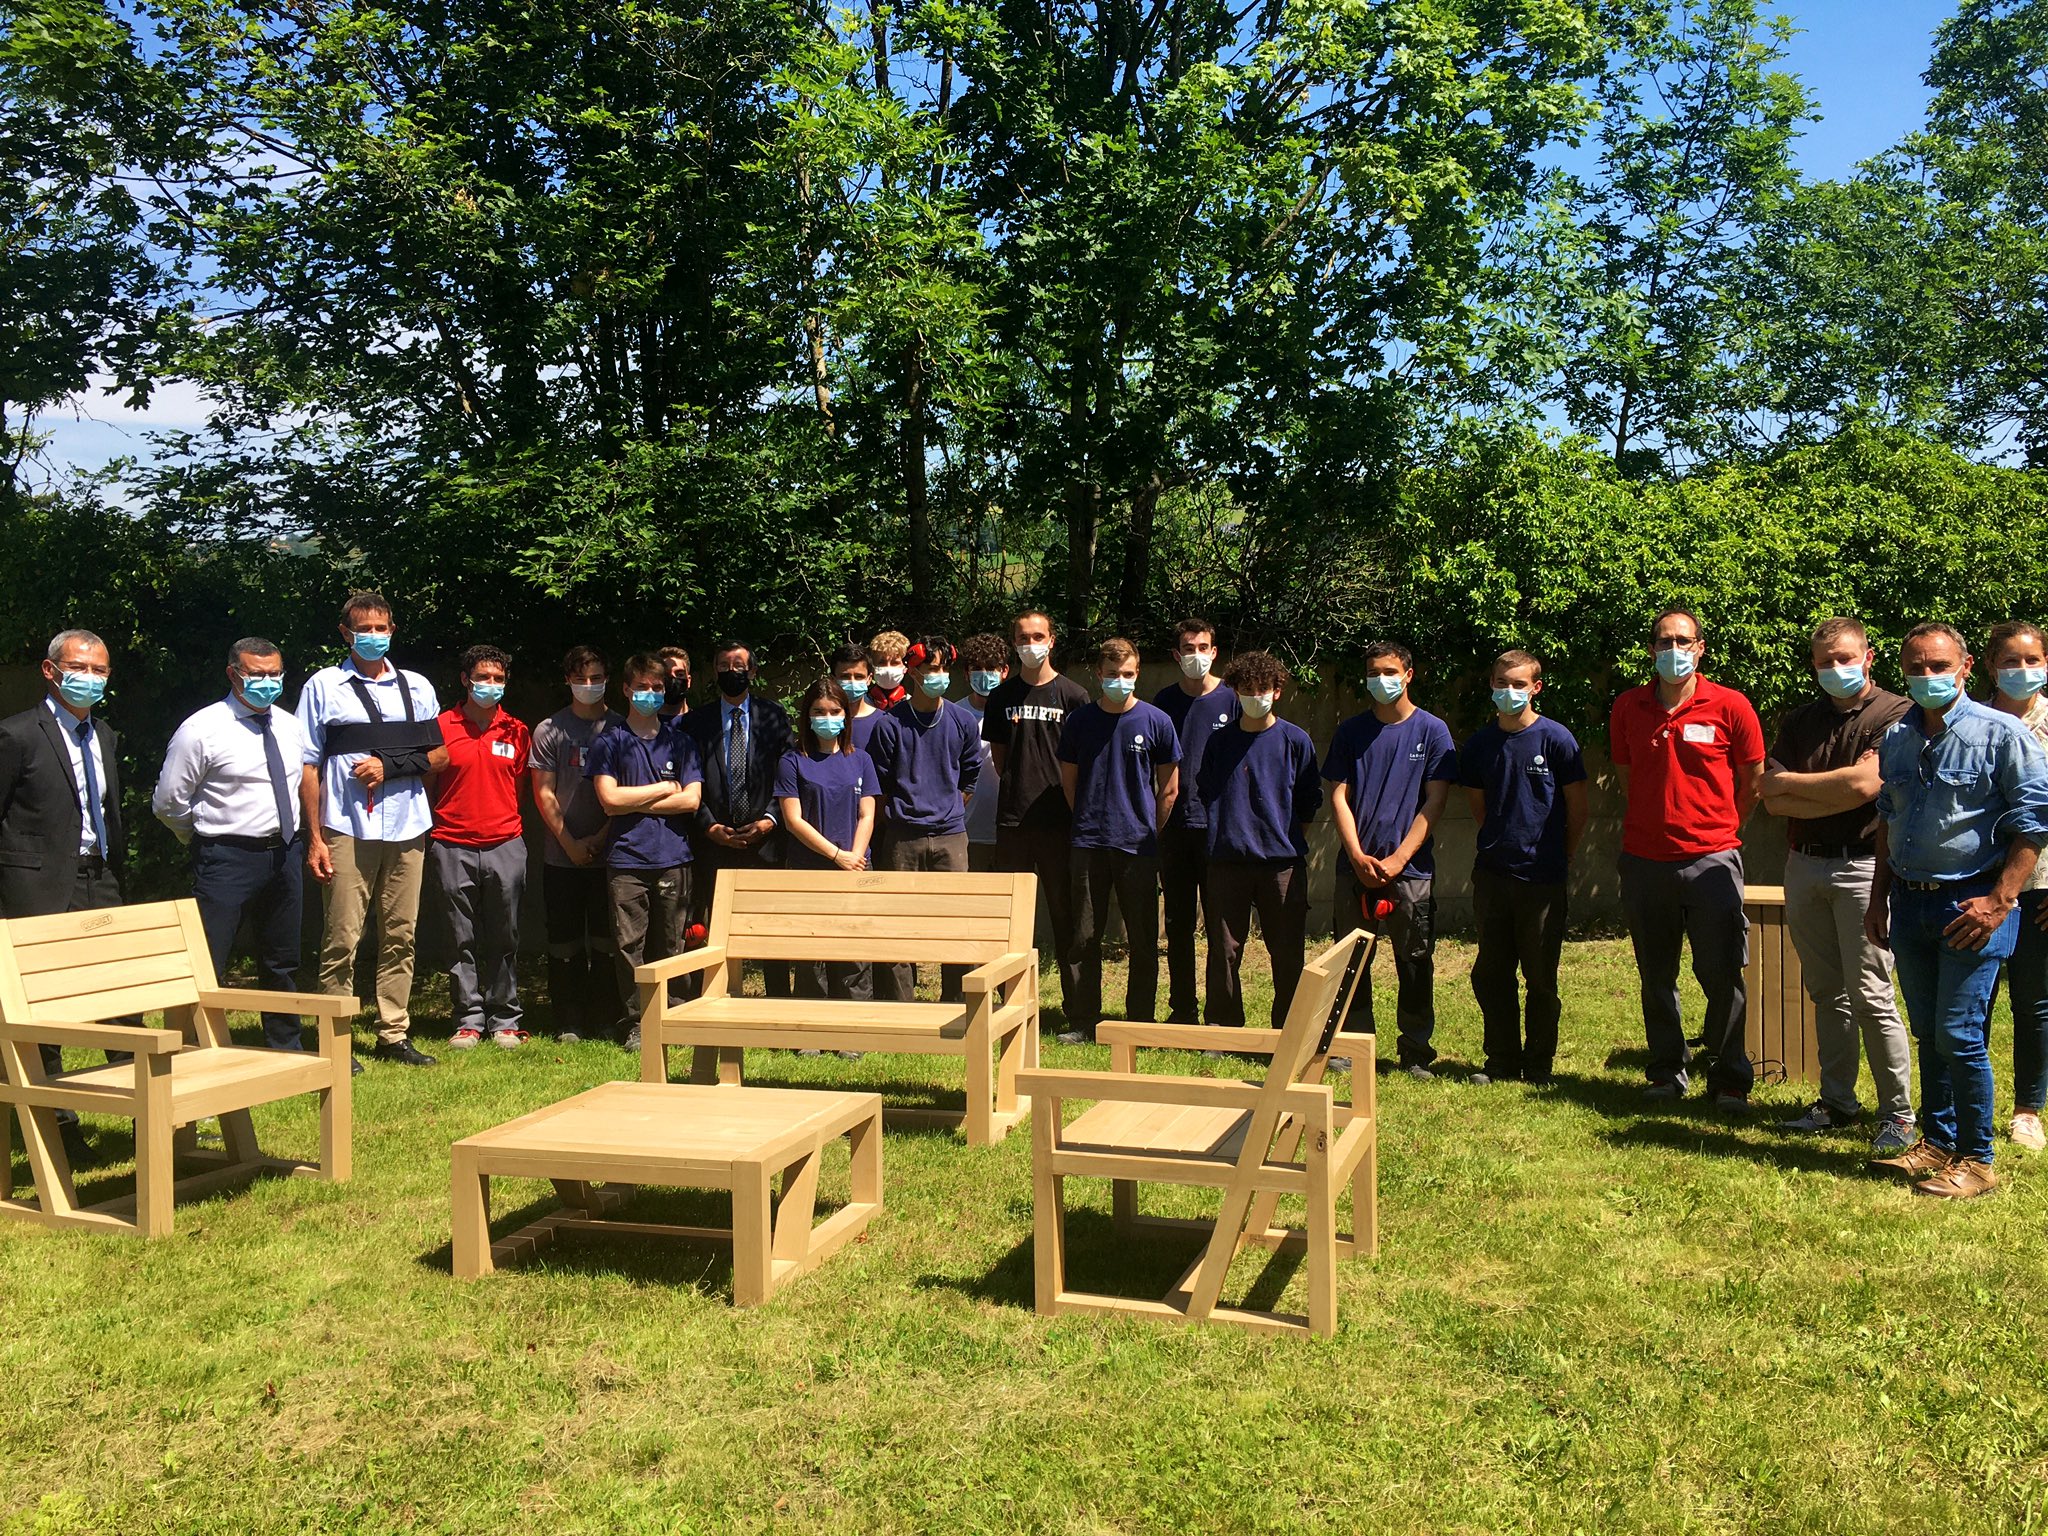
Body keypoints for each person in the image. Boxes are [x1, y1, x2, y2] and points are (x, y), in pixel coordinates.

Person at [1865, 622, 2048, 1198]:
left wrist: (2001, 899)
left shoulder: (2002, 734)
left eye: (1939, 667)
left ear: (1967, 668)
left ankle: (1978, 1160)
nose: (1928, 677)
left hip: (1971, 903)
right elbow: (1889, 823)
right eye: (1916, 667)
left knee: (1959, 1033)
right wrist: (1877, 897)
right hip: (1910, 902)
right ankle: (1938, 1143)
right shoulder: (1897, 739)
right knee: (1929, 1032)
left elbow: (2034, 821)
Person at [1758, 617, 1915, 1151]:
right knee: (1827, 993)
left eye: (1846, 658)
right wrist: (1829, 790)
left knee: (1872, 993)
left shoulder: (1893, 712)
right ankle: (1837, 1102)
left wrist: (1798, 785)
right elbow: (1770, 797)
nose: (1836, 669)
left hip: (1864, 867)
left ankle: (1898, 1115)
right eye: (1826, 662)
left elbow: (1866, 784)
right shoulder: (1800, 720)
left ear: (1869, 657)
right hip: (1803, 864)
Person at [1608, 607, 1765, 1109]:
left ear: (1700, 648)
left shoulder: (1731, 705)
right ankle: (1666, 1072)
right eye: (1663, 641)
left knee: (1721, 973)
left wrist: (1719, 828)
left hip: (1713, 861)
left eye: (1683, 641)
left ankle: (1729, 1077)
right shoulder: (1628, 707)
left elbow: (1753, 782)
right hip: (1645, 861)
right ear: (1651, 649)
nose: (1673, 650)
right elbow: (1630, 777)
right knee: (1656, 975)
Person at [297, 591, 448, 1067]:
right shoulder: (324, 686)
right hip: (346, 826)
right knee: (342, 935)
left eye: (382, 628)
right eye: (365, 629)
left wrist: (390, 766)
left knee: (401, 934)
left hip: (407, 826)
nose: (374, 636)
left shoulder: (418, 687)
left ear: (392, 630)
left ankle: (393, 1032)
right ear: (345, 633)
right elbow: (308, 765)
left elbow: (439, 755)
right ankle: (335, 1039)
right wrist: (315, 837)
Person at [0, 630, 128, 1153]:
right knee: (43, 1005)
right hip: (36, 884)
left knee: (124, 990)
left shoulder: (107, 736)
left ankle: (148, 1104)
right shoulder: (16, 735)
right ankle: (56, 1118)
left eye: (100, 670)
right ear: (50, 671)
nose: (91, 678)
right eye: (81, 667)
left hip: (99, 878)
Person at [153, 637, 311, 1051]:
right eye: (256, 674)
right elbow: (169, 801)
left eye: (275, 674)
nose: (267, 682)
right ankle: (194, 1049)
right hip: (226, 857)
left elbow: (298, 788)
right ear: (232, 673)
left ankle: (285, 1047)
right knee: (209, 960)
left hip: (284, 854)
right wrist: (204, 836)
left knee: (282, 959)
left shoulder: (290, 726)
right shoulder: (201, 729)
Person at [1322, 640, 1457, 1078]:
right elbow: (1338, 795)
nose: (1381, 680)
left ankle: (1416, 1050)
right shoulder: (1350, 732)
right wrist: (1356, 854)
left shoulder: (1432, 731)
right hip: (1355, 868)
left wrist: (1399, 858)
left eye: (1389, 671)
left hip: (1410, 871)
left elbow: (1434, 802)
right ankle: (1352, 1046)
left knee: (1414, 960)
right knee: (1351, 961)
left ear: (1408, 674)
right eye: (1374, 672)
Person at [1458, 649, 1589, 1087]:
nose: (1508, 691)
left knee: (1540, 977)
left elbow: (1578, 808)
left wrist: (1560, 856)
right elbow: (1478, 807)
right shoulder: (1479, 745)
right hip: (1493, 876)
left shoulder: (1557, 739)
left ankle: (1538, 1065)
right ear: (1491, 685)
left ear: (1535, 688)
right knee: (1491, 973)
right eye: (1501, 683)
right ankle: (1499, 1060)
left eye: (1518, 684)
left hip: (1542, 879)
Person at [1054, 638, 1180, 1043]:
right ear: (1098, 675)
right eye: (1112, 675)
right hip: (1088, 843)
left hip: (1138, 847)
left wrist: (1148, 829)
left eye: (1127, 675)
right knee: (1083, 937)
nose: (1119, 682)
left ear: (1137, 673)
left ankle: (1138, 1021)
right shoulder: (1080, 722)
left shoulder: (1157, 721)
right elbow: (1068, 782)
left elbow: (1170, 789)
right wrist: (1089, 819)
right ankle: (1084, 1021)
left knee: (1143, 939)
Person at [1195, 650, 1321, 1034]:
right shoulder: (1219, 743)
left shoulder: (1295, 741)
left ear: (1277, 691)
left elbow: (1307, 802)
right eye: (1247, 689)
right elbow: (1206, 791)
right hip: (1227, 861)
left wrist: (1283, 838)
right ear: (1234, 691)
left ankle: (1289, 1028)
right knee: (1224, 950)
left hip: (1281, 864)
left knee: (1286, 952)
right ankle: (1223, 1026)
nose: (1255, 696)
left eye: (1263, 688)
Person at [589, 654, 704, 1051]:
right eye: (642, 687)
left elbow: (691, 801)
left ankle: (676, 1015)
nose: (650, 694)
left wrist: (632, 800)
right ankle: (636, 1022)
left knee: (671, 944)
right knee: (629, 946)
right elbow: (607, 799)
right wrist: (662, 789)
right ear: (625, 690)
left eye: (657, 688)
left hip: (673, 856)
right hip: (626, 860)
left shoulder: (682, 741)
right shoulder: (609, 742)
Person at [427, 645, 532, 1050]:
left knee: (506, 935)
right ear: (465, 680)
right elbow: (428, 786)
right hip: (451, 844)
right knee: (459, 938)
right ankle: (468, 1019)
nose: (490, 685)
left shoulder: (517, 731)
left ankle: (505, 1018)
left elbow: (518, 786)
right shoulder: (441, 727)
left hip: (506, 842)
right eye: (483, 677)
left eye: (498, 678)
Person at [986, 609, 1091, 1009]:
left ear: (1052, 640)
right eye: (1022, 637)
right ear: (1014, 642)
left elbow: (1080, 763)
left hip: (1059, 823)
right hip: (1013, 822)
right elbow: (999, 759)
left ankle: (1078, 1006)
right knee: (1011, 920)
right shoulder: (1001, 696)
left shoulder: (1075, 696)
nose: (1030, 644)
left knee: (1067, 916)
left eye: (1037, 636)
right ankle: (1011, 1002)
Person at [868, 636, 981, 1002]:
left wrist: (949, 807)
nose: (939, 675)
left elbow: (970, 775)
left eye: (943, 668)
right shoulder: (890, 725)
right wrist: (905, 811)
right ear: (913, 672)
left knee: (956, 923)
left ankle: (956, 1000)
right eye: (931, 669)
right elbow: (879, 781)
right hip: (902, 836)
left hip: (951, 834)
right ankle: (902, 1002)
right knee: (898, 923)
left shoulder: (962, 721)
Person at [531, 646, 626, 1045]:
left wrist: (600, 838)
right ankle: (568, 1018)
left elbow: (626, 793)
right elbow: (544, 793)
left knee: (608, 941)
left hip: (611, 854)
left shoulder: (623, 728)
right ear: (568, 680)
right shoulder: (550, 729)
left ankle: (606, 1015)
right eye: (581, 678)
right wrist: (570, 843)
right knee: (564, 942)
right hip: (561, 855)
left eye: (597, 677)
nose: (590, 686)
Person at [1153, 618, 1237, 1023]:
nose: (1196, 656)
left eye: (1203, 647)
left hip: (1220, 831)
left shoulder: (1235, 699)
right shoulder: (1162, 702)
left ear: (1214, 651)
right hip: (1174, 830)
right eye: (1188, 648)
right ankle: (1182, 1010)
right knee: (1178, 924)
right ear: (1176, 654)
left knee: (1221, 929)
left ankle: (1220, 1015)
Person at [775, 677, 879, 1004]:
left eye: (835, 710)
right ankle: (810, 1030)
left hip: (856, 868)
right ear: (807, 715)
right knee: (810, 952)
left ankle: (853, 1028)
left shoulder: (860, 759)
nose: (828, 717)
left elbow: (867, 814)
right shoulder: (792, 761)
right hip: (810, 868)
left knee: (856, 951)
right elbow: (793, 820)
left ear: (845, 715)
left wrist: (854, 857)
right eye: (819, 711)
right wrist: (837, 855)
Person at [1984, 620, 2048, 1152]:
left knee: (2034, 1004)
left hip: (2043, 888)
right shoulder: (1969, 720)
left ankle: (2028, 1110)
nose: (2022, 670)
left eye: (2032, 659)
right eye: (2011, 660)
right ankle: (1969, 1102)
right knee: (1972, 1002)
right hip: (1978, 883)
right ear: (1989, 666)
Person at [960, 633, 1007, 871]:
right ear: (966, 673)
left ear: (1004, 671)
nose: (984, 674)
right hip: (966, 832)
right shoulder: (955, 715)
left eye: (991, 667)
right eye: (976, 668)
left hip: (1009, 832)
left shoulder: (1014, 713)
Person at [829, 642, 886, 753]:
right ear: (832, 679)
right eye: (845, 676)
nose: (852, 682)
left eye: (859, 676)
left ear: (869, 679)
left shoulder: (883, 722)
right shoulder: (823, 723)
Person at [868, 630, 911, 713]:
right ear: (873, 667)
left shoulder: (913, 705)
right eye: (881, 662)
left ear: (905, 667)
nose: (888, 669)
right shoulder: (861, 705)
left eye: (895, 663)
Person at [656, 646, 693, 721]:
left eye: (680, 674)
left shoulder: (703, 722)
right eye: (666, 674)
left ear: (688, 681)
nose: (673, 678)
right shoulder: (644, 725)